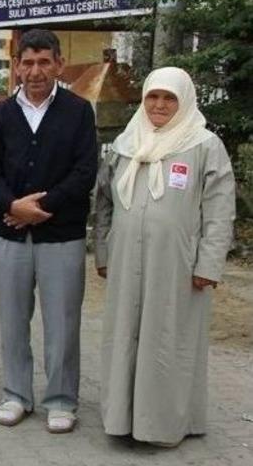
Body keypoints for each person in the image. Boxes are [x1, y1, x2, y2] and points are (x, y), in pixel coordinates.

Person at [94, 67, 236, 448]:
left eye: (169, 98)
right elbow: (104, 201)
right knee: (124, 336)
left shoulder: (204, 145)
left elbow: (220, 211)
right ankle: (122, 419)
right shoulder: (127, 142)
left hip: (178, 265)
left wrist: (208, 264)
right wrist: (103, 251)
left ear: (184, 101)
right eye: (152, 97)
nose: (159, 105)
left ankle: (165, 425)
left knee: (169, 339)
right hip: (126, 260)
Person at [0, 29, 98, 433]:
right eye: (27, 62)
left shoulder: (79, 110)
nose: (35, 71)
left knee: (62, 322)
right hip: (9, 234)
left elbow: (84, 172)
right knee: (13, 320)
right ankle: (15, 394)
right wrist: (13, 206)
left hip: (60, 236)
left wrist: (40, 208)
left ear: (58, 64)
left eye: (44, 61)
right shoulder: (2, 114)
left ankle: (61, 400)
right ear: (16, 66)